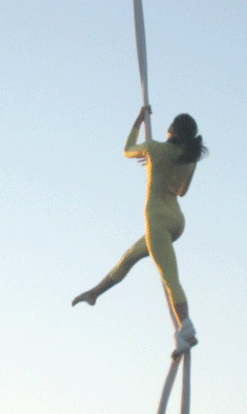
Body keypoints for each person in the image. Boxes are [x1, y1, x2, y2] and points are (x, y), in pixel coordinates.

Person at [73, 106, 206, 356]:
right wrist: (158, 165)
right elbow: (181, 192)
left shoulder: (154, 148)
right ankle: (94, 293)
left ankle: (186, 329)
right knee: (129, 257)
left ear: (172, 129)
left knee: (170, 279)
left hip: (157, 221)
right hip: (176, 221)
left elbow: (127, 149)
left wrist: (138, 120)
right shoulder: (189, 158)